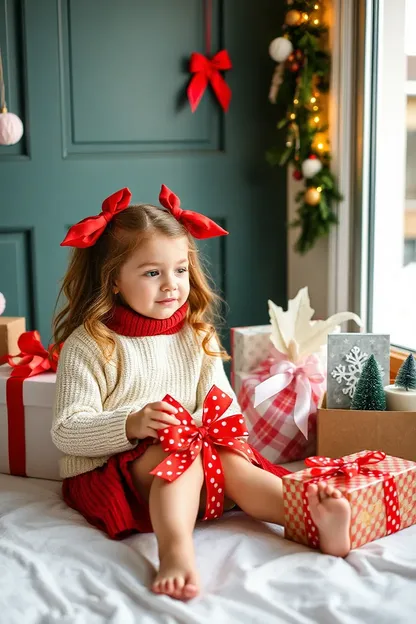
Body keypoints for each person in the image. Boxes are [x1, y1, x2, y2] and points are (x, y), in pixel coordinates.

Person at [51, 185, 351, 602]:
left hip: (197, 453)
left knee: (235, 466)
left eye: (180, 269)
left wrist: (210, 430)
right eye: (152, 272)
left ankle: (311, 519)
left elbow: (224, 404)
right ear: (113, 280)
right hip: (117, 468)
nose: (172, 285)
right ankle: (175, 552)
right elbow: (67, 430)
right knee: (182, 455)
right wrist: (132, 424)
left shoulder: (196, 334)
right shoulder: (92, 344)